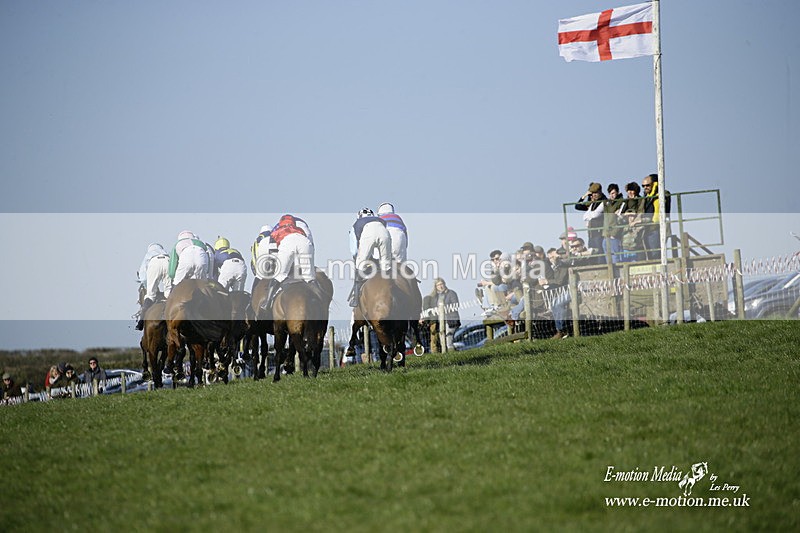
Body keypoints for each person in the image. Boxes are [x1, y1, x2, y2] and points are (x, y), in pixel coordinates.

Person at [257, 215, 316, 311]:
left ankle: (267, 302)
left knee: (279, 275)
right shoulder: (299, 229)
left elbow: (273, 253)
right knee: (309, 278)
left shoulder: (276, 232)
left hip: (288, 244)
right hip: (304, 242)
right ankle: (319, 299)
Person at [348, 208, 392, 306]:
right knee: (386, 266)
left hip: (368, 234)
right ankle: (391, 290)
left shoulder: (357, 224)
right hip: (385, 233)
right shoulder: (379, 220)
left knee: (360, 266)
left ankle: (355, 298)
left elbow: (354, 250)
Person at [136, 243, 172, 330]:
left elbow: (143, 277)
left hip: (154, 263)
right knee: (169, 293)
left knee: (150, 295)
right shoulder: (166, 253)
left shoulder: (149, 255)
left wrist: (147, 286)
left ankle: (141, 321)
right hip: (167, 262)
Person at [641, 173, 672, 260]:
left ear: (655, 184)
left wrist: (656, 189)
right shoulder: (646, 197)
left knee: (656, 255)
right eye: (643, 186)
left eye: (647, 185)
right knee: (650, 255)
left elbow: (661, 207)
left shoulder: (662, 194)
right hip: (647, 229)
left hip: (656, 228)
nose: (645, 187)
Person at [427, 278, 460, 351]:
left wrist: (444, 309)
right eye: (438, 285)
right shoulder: (435, 297)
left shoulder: (451, 293)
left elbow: (456, 305)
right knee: (441, 340)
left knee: (449, 339)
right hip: (440, 321)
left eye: (441, 284)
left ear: (444, 284)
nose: (440, 286)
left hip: (451, 320)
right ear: (436, 287)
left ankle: (452, 354)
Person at [575, 182, 607, 253]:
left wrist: (589, 214)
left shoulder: (603, 201)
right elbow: (577, 206)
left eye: (596, 193)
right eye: (592, 193)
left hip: (599, 232)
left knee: (599, 252)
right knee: (592, 252)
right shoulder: (592, 203)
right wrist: (585, 195)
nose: (594, 195)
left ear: (600, 192)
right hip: (591, 233)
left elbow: (595, 215)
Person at [602, 183, 627, 264]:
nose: (612, 195)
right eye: (610, 193)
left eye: (613, 193)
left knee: (615, 256)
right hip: (606, 233)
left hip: (615, 234)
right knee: (607, 256)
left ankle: (617, 275)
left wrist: (615, 233)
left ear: (617, 192)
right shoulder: (607, 203)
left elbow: (620, 218)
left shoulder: (622, 202)